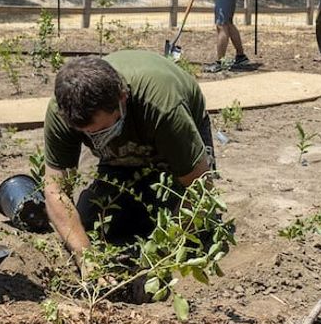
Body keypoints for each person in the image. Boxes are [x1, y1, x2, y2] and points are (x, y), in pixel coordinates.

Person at [42, 50, 216, 278]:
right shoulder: (63, 109)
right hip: (120, 161)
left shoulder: (162, 108)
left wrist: (158, 259)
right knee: (91, 224)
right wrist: (87, 259)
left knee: (195, 235)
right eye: (85, 133)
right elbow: (55, 192)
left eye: (102, 130)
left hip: (171, 149)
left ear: (122, 98)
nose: (95, 138)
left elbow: (200, 188)